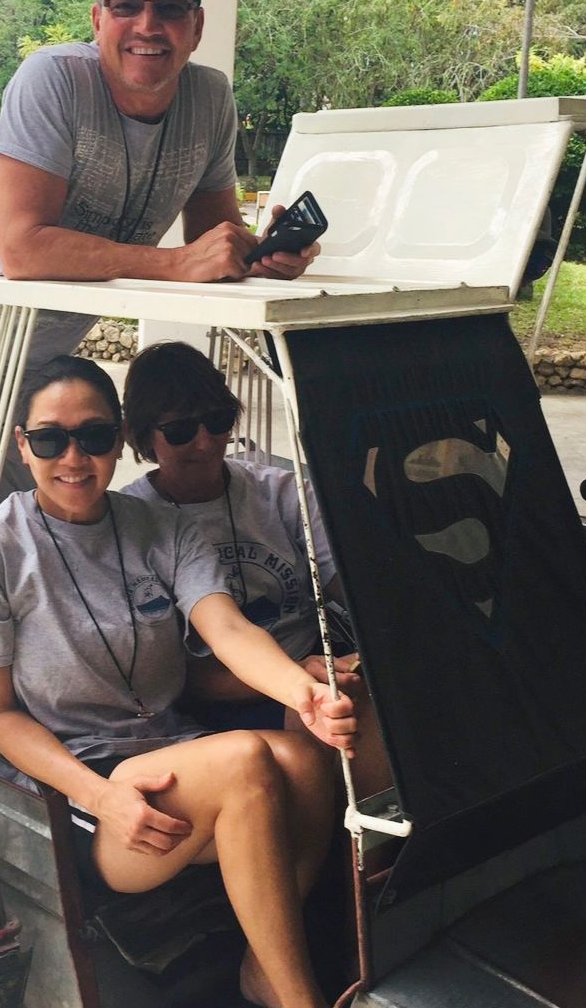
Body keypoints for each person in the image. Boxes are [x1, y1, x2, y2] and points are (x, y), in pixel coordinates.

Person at [0, 0, 318, 695]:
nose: (147, 26)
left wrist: (258, 253)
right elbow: (23, 249)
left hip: (33, 357)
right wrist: (176, 263)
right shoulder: (54, 80)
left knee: (25, 537)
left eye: (170, 9)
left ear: (196, 26)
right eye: (125, 6)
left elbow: (209, 238)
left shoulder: (209, 100)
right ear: (97, 19)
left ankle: (5, 714)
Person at [0, 356, 355, 1008]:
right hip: (83, 786)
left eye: (93, 436)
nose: (73, 458)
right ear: (21, 444)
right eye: (50, 439)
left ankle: (264, 969)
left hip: (172, 749)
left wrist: (302, 689)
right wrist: (101, 797)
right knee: (247, 762)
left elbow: (225, 628)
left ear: (118, 438)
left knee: (306, 756)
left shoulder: (159, 527)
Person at [121, 341, 389, 798]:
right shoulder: (134, 522)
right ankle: (357, 835)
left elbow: (352, 586)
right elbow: (179, 674)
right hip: (212, 690)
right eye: (180, 431)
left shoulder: (279, 492)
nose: (205, 442)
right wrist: (299, 677)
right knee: (331, 707)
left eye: (218, 421)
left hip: (310, 664)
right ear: (143, 436)